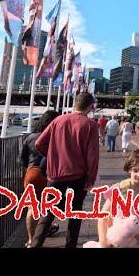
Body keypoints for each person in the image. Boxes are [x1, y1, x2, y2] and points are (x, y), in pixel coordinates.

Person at [30, 92, 99, 248]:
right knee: (75, 213)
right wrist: (91, 180)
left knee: (48, 212)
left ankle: (35, 244)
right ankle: (70, 245)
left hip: (55, 174)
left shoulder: (58, 120)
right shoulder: (91, 126)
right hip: (78, 175)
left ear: (75, 103)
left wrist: (54, 155)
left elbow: (39, 143)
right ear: (90, 106)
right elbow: (92, 157)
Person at [86, 149, 139, 248]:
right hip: (119, 240)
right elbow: (102, 216)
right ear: (129, 169)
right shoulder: (119, 189)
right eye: (135, 170)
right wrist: (103, 241)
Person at [20, 110, 59, 248]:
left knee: (32, 207)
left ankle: (31, 240)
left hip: (31, 173)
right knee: (47, 206)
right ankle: (44, 231)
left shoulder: (30, 137)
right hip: (48, 174)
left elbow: (22, 159)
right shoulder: (54, 137)